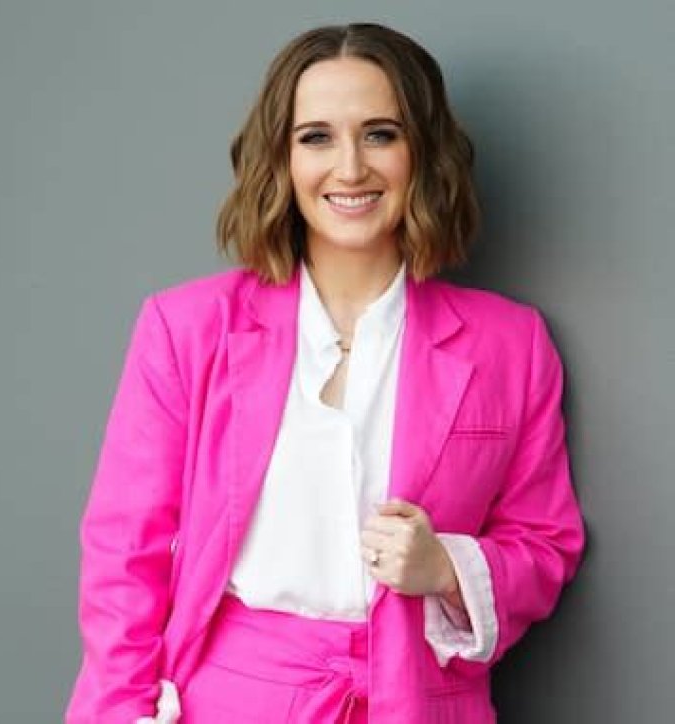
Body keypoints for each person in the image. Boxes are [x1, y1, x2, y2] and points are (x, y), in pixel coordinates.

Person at [66, 22, 585, 724]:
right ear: (281, 159)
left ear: (422, 151)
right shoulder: (186, 329)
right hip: (231, 702)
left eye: (380, 134)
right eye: (316, 137)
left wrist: (446, 567)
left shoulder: (510, 345)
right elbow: (125, 555)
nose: (350, 168)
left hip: (421, 703)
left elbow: (545, 544)